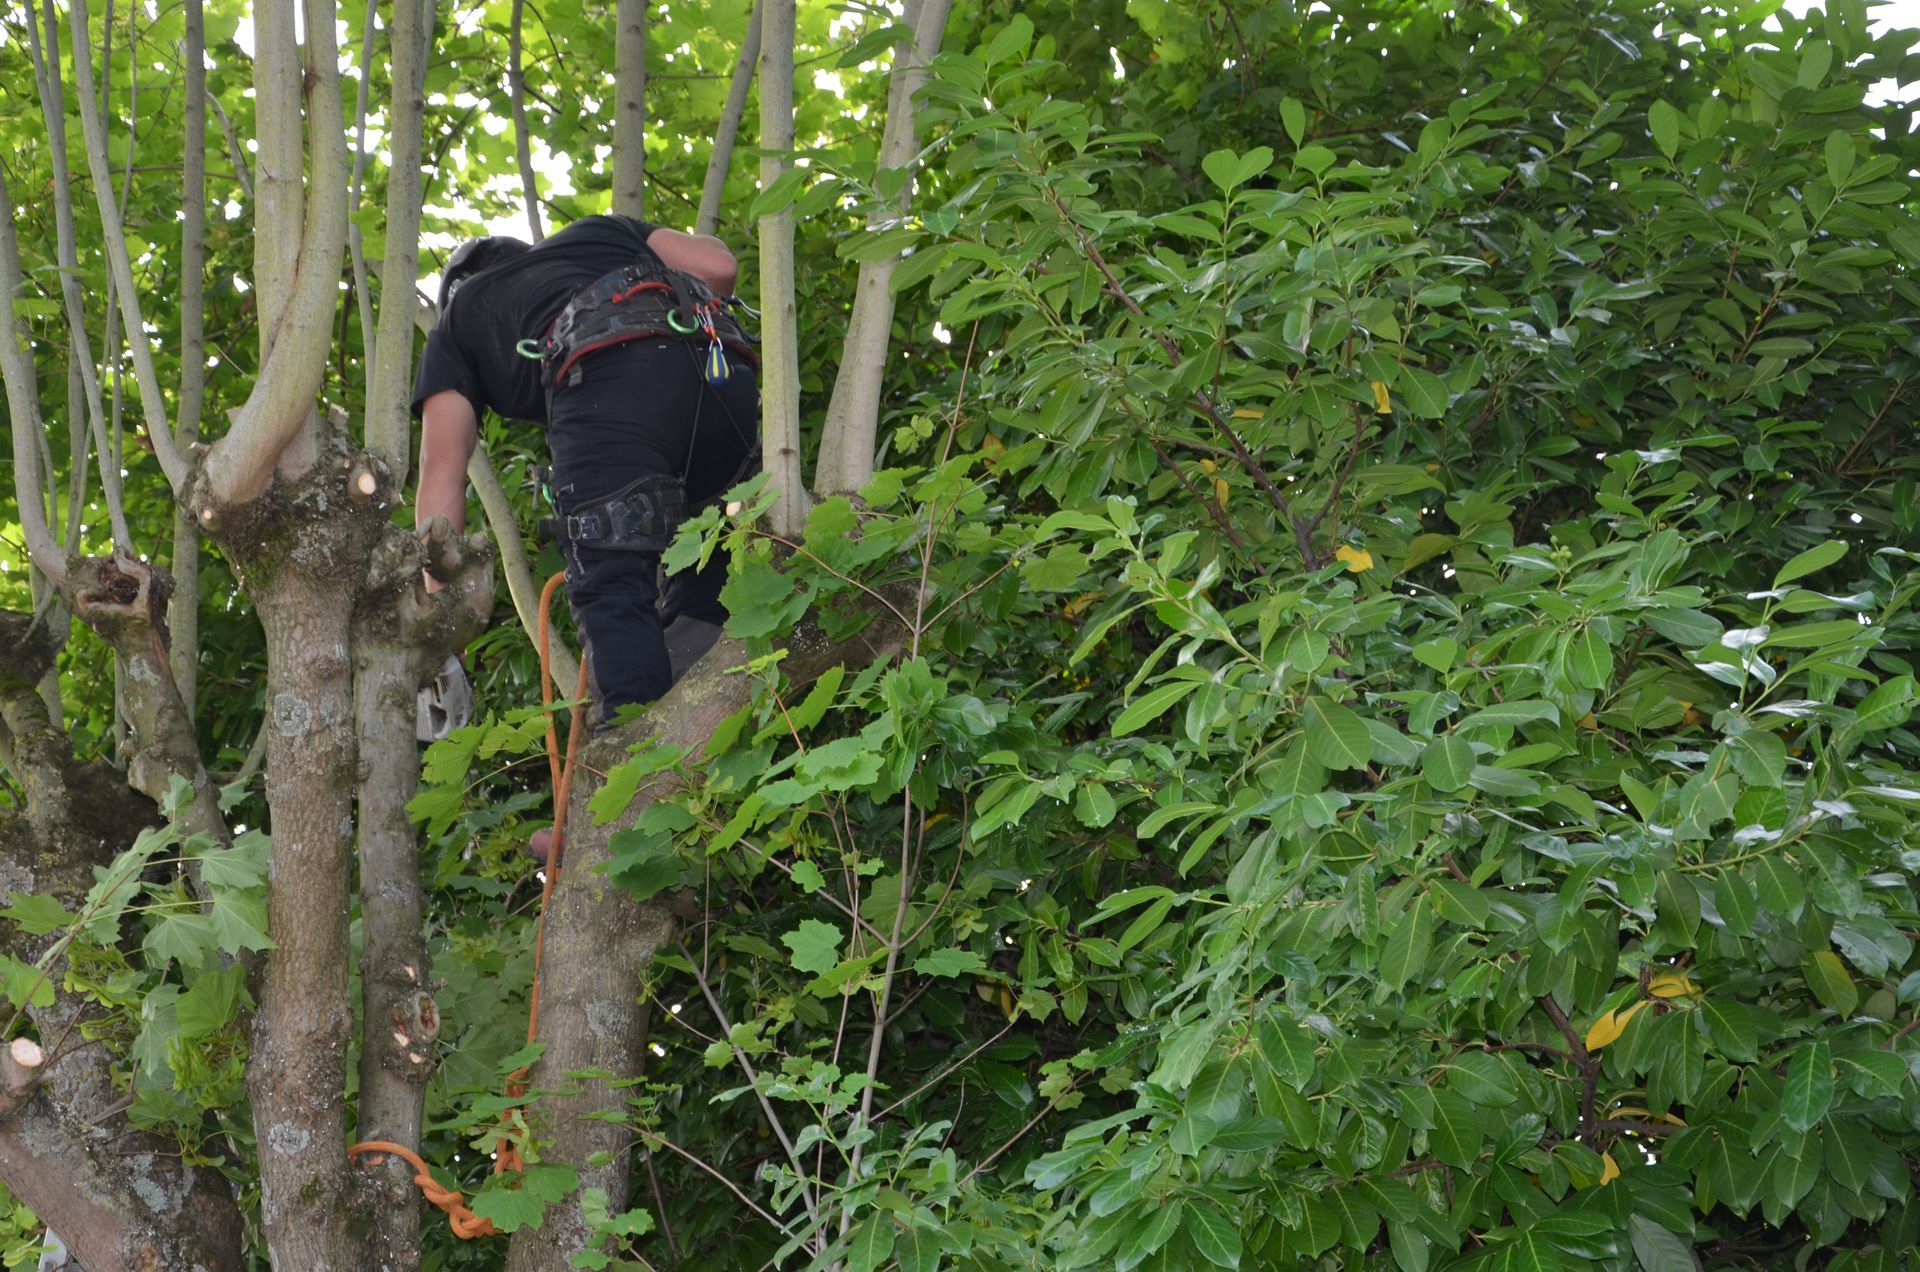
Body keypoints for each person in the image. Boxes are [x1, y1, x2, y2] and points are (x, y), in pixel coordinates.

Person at [411, 214, 760, 728]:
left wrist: (437, 628)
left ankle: (636, 757)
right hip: (721, 376)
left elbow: (442, 470)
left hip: (607, 375)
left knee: (611, 578)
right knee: (707, 547)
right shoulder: (600, 232)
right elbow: (718, 266)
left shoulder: (460, 317)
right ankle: (706, 670)